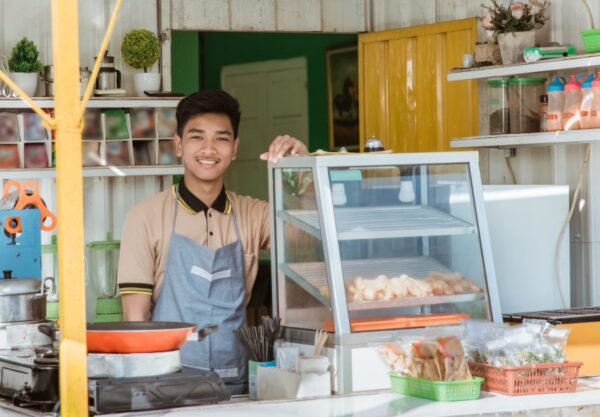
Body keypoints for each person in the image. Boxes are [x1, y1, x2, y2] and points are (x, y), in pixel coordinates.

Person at [116, 90, 307, 394]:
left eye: (221, 138)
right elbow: (135, 318)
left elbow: (306, 237)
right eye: (197, 137)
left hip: (237, 384)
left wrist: (302, 170)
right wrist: (144, 394)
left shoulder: (253, 214)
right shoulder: (145, 217)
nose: (209, 149)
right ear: (178, 145)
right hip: (166, 385)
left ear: (234, 148)